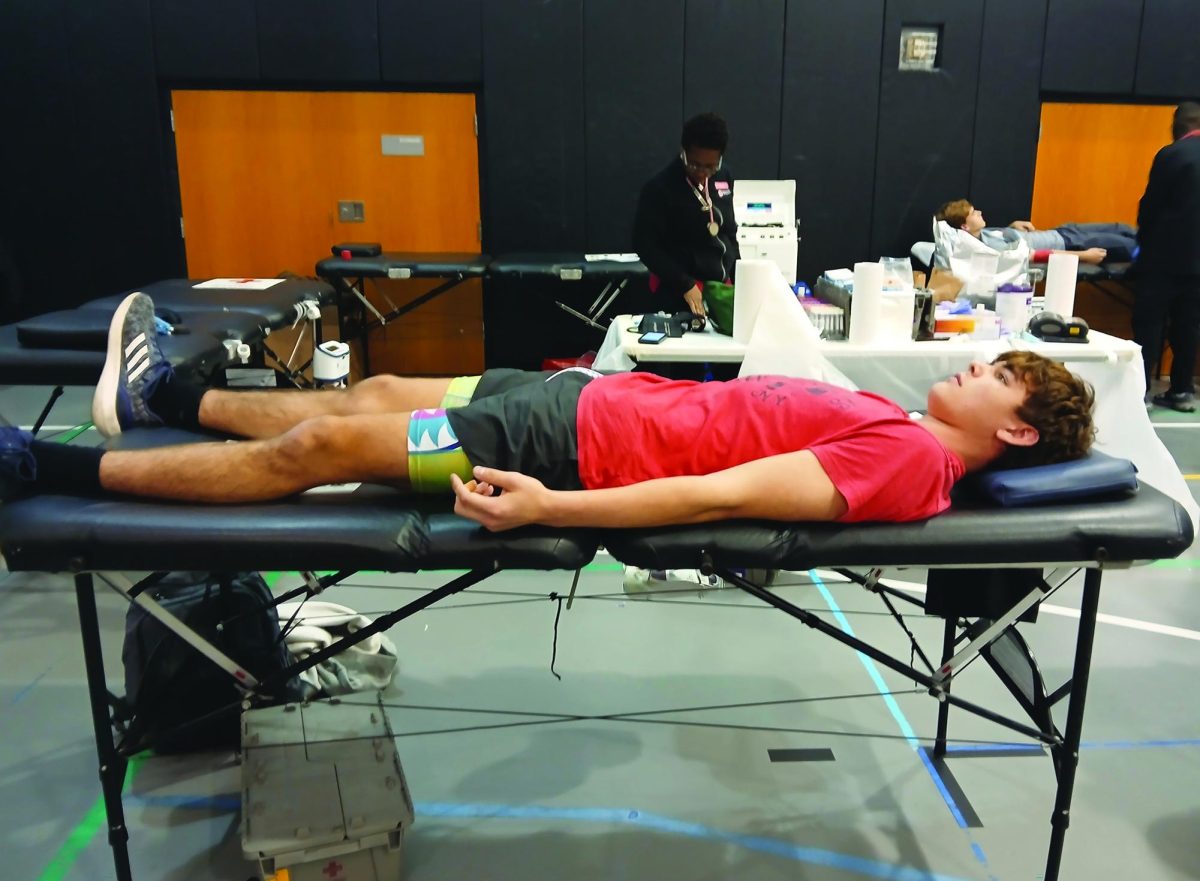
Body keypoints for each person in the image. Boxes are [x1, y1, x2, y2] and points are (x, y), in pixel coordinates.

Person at [0, 292, 1096, 530]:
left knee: (323, 443)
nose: (973, 366)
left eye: (998, 374)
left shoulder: (909, 466)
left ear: (1017, 428)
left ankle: (43, 470)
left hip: (558, 446)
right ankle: (169, 396)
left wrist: (550, 510)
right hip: (572, 397)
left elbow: (718, 493)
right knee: (374, 389)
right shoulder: (892, 418)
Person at [633, 112, 740, 316]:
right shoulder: (659, 188)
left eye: (710, 166)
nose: (702, 172)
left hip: (720, 291)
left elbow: (729, 232)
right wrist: (684, 284)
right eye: (694, 164)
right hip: (678, 292)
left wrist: (740, 279)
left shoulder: (724, 176)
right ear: (683, 152)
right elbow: (644, 245)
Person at [1133, 102, 1200, 413]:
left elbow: (1150, 206)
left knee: (1149, 325)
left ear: (1178, 125)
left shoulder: (1172, 155)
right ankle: (1182, 390)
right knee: (1188, 326)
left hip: (1163, 258)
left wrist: (1142, 243)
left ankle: (1141, 391)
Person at [935, 200, 1139, 265]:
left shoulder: (981, 234)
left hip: (1063, 231)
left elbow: (1000, 235)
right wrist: (1083, 256)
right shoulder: (989, 250)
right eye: (973, 213)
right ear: (964, 227)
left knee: (1121, 227)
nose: (979, 212)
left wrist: (1012, 227)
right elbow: (1037, 256)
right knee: (1129, 245)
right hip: (1071, 245)